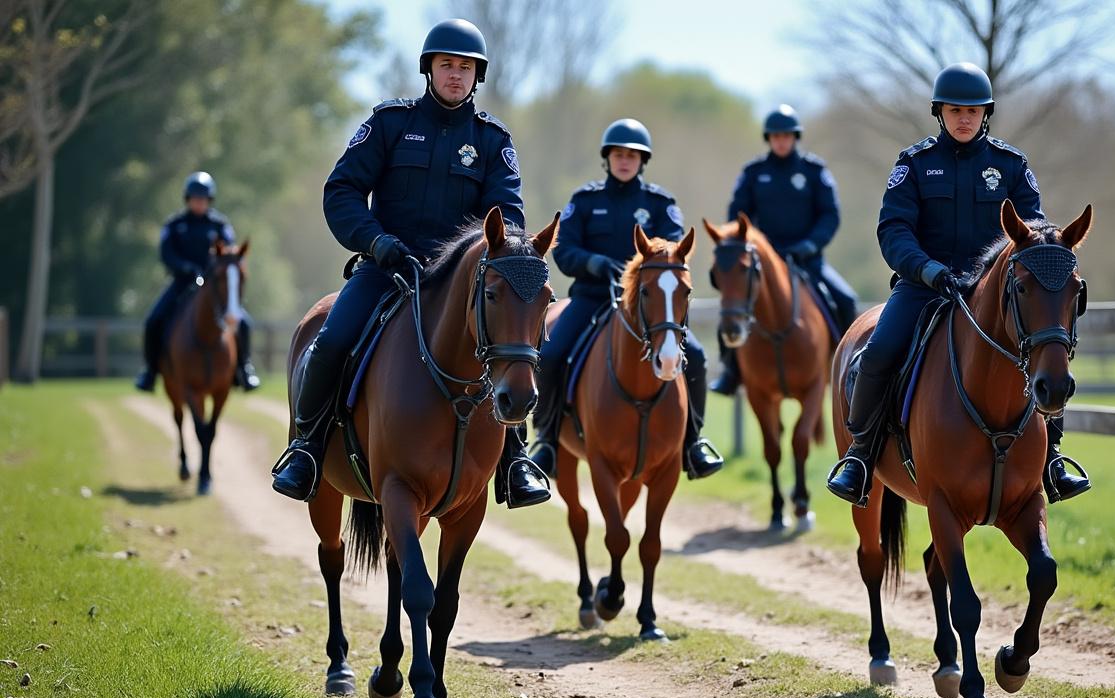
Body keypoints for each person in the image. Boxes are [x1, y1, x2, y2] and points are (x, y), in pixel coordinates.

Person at [270, 18, 549, 507]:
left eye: (466, 68)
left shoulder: (492, 141)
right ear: (429, 70)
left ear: (477, 76)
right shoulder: (389, 123)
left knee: (513, 340)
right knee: (332, 338)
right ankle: (306, 449)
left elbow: (507, 215)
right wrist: (377, 244)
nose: (456, 75)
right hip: (387, 269)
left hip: (460, 284)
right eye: (447, 65)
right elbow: (342, 192)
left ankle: (515, 461)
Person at [825, 62, 1090, 507]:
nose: (964, 119)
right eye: (954, 111)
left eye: (973, 111)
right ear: (939, 113)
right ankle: (861, 456)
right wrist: (928, 270)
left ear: (985, 114)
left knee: (1046, 350)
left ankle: (1052, 459)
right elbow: (893, 230)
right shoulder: (914, 165)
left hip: (997, 292)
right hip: (926, 285)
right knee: (880, 351)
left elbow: (1035, 228)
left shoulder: (1010, 165)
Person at [527, 118, 724, 481]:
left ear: (642, 161)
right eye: (618, 154)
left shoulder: (661, 203)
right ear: (608, 158)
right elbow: (564, 250)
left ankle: (693, 443)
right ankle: (547, 441)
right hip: (591, 297)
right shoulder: (585, 201)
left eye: (632, 155)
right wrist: (594, 262)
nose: (625, 161)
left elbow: (674, 249)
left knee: (694, 355)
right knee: (552, 354)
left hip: (649, 305)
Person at [710, 104, 857, 395]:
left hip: (808, 260)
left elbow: (830, 215)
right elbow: (737, 215)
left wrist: (809, 245)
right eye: (775, 136)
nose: (781, 140)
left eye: (787, 135)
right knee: (731, 307)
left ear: (795, 137)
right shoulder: (753, 173)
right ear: (768, 138)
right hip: (762, 263)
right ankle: (731, 370)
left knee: (846, 300)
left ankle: (850, 369)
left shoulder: (814, 171)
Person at [135, 171, 260, 393]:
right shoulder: (175, 224)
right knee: (153, 320)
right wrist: (186, 268)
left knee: (244, 323)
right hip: (182, 283)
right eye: (195, 198)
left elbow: (230, 251)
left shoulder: (220, 225)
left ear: (209, 200)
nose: (199, 203)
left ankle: (244, 369)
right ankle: (150, 371)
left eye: (203, 199)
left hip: (214, 288)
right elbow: (166, 253)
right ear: (187, 199)